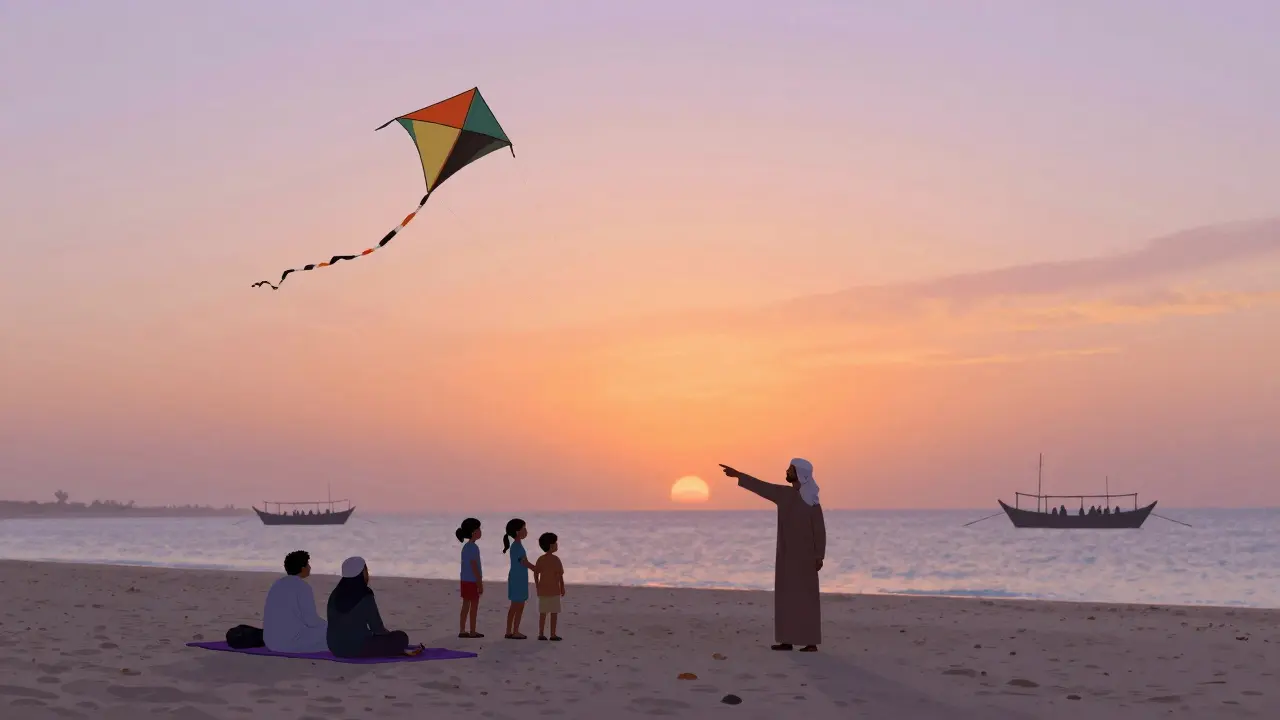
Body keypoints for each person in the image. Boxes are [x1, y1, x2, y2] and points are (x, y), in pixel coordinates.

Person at [720, 458, 826, 652]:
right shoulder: (785, 495)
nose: (787, 471)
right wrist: (739, 475)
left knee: (807, 599)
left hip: (807, 558)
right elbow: (762, 487)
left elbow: (819, 530)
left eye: (790, 469)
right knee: (786, 598)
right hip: (786, 556)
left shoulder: (812, 501)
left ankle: (810, 642)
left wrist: (819, 555)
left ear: (800, 474)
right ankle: (787, 639)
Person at [326, 556, 423, 658]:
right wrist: (389, 637)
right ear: (361, 573)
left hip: (335, 648)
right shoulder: (365, 594)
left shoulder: (335, 594)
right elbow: (377, 629)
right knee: (401, 637)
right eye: (365, 570)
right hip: (356, 648)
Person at [262, 550, 328, 653]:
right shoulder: (303, 587)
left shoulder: (277, 584)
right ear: (303, 568)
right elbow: (311, 621)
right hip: (290, 643)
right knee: (330, 634)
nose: (310, 567)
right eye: (308, 564)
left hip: (270, 642)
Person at [502, 518, 538, 640]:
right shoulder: (516, 547)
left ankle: (510, 631)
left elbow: (523, 561)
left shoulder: (517, 546)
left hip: (518, 577)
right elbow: (524, 562)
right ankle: (514, 631)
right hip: (518, 579)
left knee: (515, 605)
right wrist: (535, 568)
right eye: (524, 528)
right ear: (517, 532)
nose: (526, 531)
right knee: (518, 605)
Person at [534, 532, 565, 641]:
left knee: (543, 613)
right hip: (554, 590)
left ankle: (541, 633)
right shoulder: (556, 559)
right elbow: (560, 575)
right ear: (551, 545)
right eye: (555, 543)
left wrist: (537, 585)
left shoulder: (541, 559)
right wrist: (562, 587)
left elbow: (536, 573)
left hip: (543, 590)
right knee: (553, 613)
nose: (557, 545)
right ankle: (552, 634)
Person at [456, 518, 484, 638]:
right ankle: (472, 630)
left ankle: (462, 629)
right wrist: (479, 583)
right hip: (472, 581)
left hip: (464, 580)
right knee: (474, 606)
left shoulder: (466, 547)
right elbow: (474, 566)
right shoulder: (473, 547)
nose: (480, 531)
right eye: (478, 529)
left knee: (466, 605)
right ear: (473, 532)